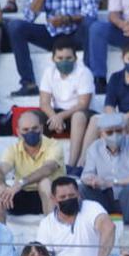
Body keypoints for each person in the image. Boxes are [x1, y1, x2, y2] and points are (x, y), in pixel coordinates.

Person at [6, 0, 97, 98]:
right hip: (53, 34)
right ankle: (28, 83)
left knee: (91, 25)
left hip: (76, 33)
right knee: (15, 27)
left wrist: (67, 19)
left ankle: (89, 79)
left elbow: (91, 13)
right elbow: (29, 16)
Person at [34, 175, 116, 256]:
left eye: (72, 196)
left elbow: (109, 228)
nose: (68, 199)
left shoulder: (91, 207)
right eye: (63, 197)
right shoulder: (47, 224)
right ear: (53, 199)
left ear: (79, 194)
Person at [0, 109, 64, 223]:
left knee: (44, 183)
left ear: (42, 128)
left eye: (35, 128)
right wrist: (1, 184)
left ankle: (52, 231)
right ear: (18, 132)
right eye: (26, 130)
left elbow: (47, 169)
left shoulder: (54, 145)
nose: (30, 132)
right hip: (23, 195)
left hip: (52, 197)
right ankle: (1, 234)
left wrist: (20, 183)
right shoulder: (13, 149)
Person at [79, 113, 129, 227]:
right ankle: (90, 225)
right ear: (100, 134)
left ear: (125, 130)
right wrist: (92, 180)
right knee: (82, 188)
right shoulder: (94, 148)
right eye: (109, 132)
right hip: (106, 197)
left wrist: (113, 182)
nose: (115, 135)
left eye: (119, 131)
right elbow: (85, 176)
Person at [36, 36, 95, 169]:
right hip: (57, 113)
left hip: (81, 113)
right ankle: (36, 163)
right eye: (60, 58)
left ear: (75, 58)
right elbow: (44, 102)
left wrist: (60, 117)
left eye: (68, 58)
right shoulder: (49, 72)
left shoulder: (84, 73)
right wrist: (54, 117)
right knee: (34, 118)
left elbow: (83, 104)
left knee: (78, 116)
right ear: (53, 59)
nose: (64, 61)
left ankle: (72, 164)